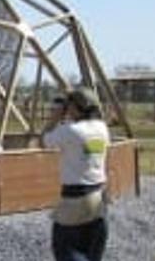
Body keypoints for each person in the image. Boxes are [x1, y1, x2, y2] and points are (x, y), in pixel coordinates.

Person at [42, 87, 110, 261]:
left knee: (65, 249)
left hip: (75, 201)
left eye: (69, 105)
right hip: (99, 199)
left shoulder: (71, 131)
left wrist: (55, 118)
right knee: (92, 253)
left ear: (75, 108)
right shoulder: (102, 128)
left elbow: (43, 140)